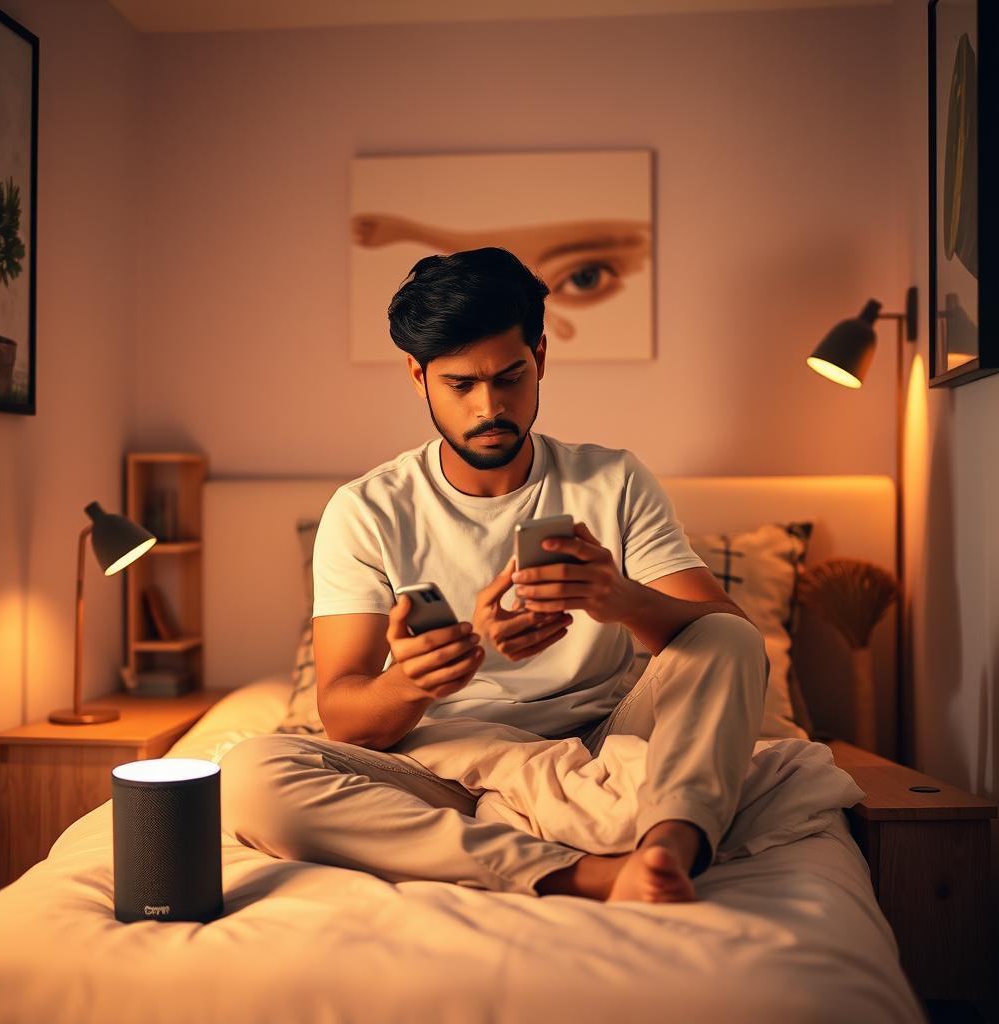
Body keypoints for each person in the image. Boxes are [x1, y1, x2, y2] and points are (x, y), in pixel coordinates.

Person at [221, 247, 770, 904]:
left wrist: (617, 597)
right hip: (438, 761)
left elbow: (732, 641)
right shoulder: (367, 509)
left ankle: (666, 851)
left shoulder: (613, 480)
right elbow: (344, 719)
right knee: (248, 776)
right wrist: (421, 678)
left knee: (724, 638)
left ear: (540, 357)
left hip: (598, 740)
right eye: (461, 385)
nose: (490, 407)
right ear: (417, 375)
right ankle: (586, 873)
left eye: (510, 376)